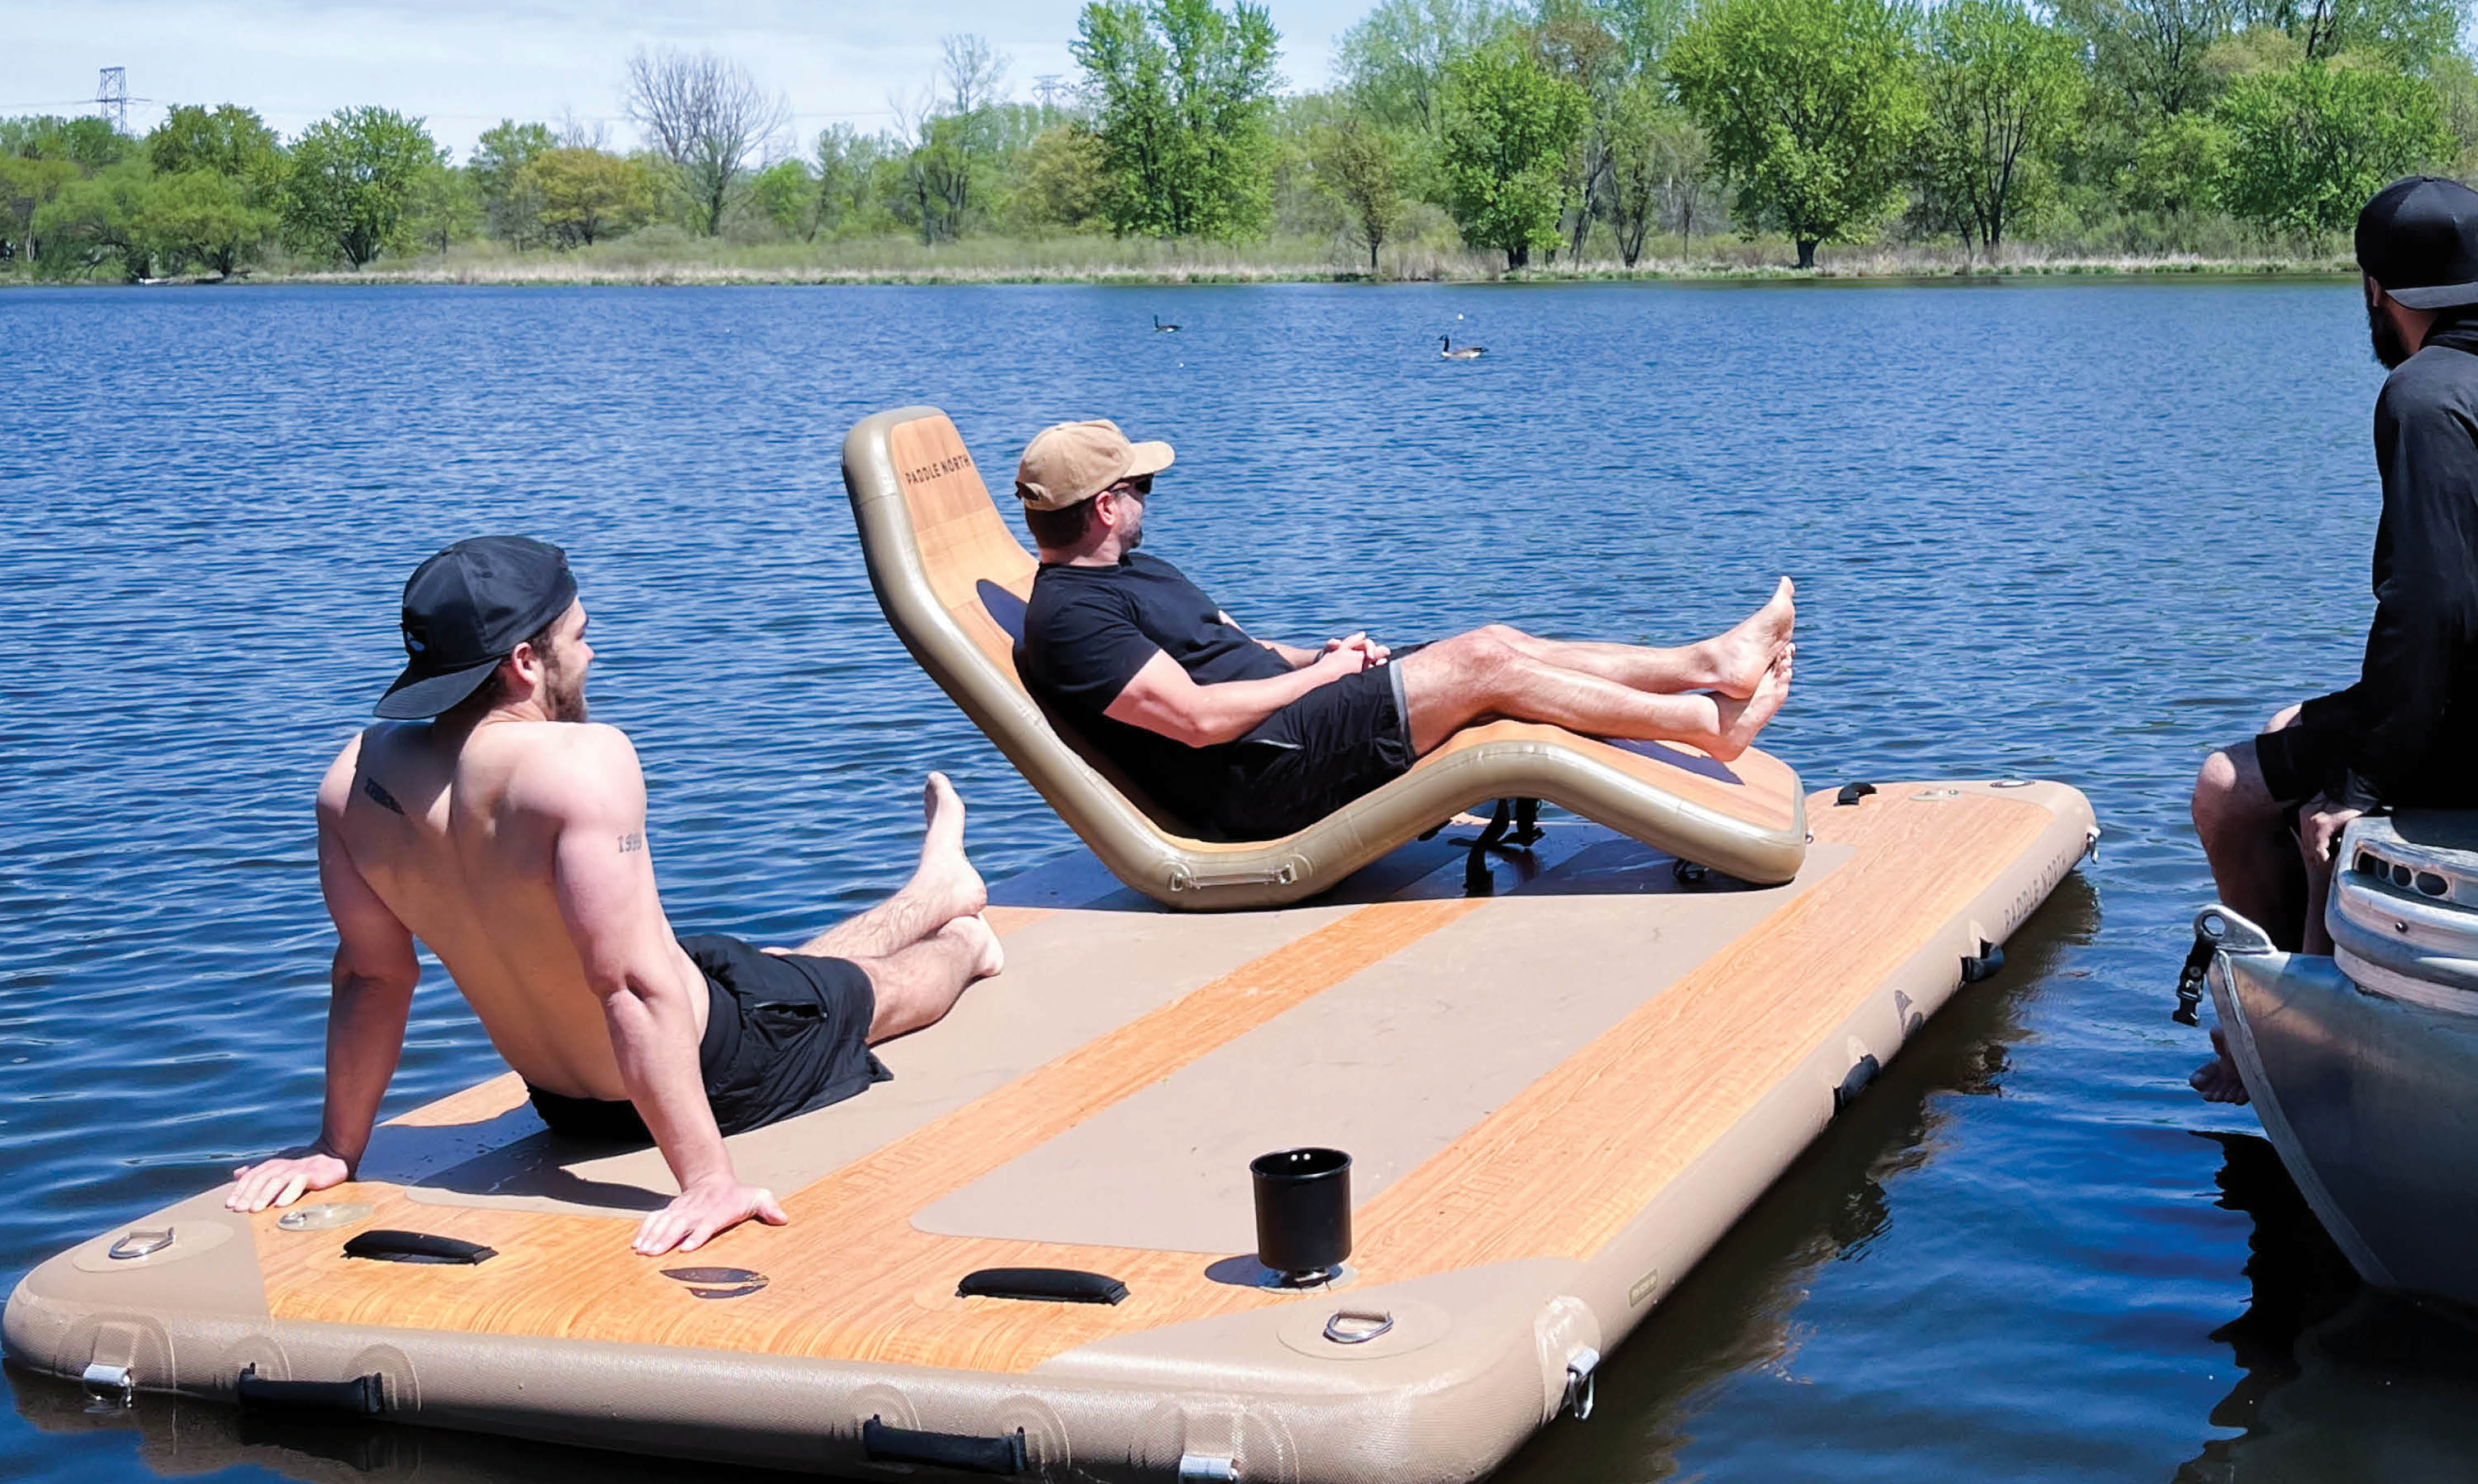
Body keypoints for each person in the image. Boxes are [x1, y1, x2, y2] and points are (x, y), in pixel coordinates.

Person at [227, 535, 999, 1253]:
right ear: (525, 662)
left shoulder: (352, 778)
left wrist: (337, 1149)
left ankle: (935, 887)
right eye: (580, 636)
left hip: (563, 1098)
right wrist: (708, 1183)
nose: (591, 653)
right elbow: (626, 985)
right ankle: (962, 931)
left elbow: (373, 976)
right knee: (873, 996)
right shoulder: (577, 763)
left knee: (767, 975)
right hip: (715, 1069)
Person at [1009, 419, 1795, 844]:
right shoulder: (1072, 618)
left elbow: (1233, 652)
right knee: (1485, 664)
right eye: (1140, 486)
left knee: (1500, 643)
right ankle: (1705, 727)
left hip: (1288, 724)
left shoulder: (1127, 573)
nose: (1151, 496)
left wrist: (1322, 654)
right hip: (1259, 777)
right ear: (1106, 508)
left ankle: (1710, 663)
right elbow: (1197, 719)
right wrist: (1322, 681)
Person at [2191, 175, 2478, 1100]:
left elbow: (2433, 607)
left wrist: (2363, 785)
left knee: (2229, 790)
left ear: (2377, 292)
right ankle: (2306, 1006)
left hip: (2465, 712)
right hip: (2458, 690)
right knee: (2291, 728)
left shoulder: (2424, 395)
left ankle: (2279, 1056)